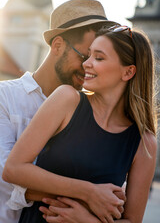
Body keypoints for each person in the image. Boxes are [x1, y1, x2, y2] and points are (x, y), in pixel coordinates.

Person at [3, 24, 157, 223]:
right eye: (88, 56)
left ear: (128, 72)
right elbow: (13, 169)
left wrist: (86, 220)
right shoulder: (66, 99)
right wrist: (89, 192)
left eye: (98, 58)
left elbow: (133, 220)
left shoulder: (144, 143)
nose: (87, 64)